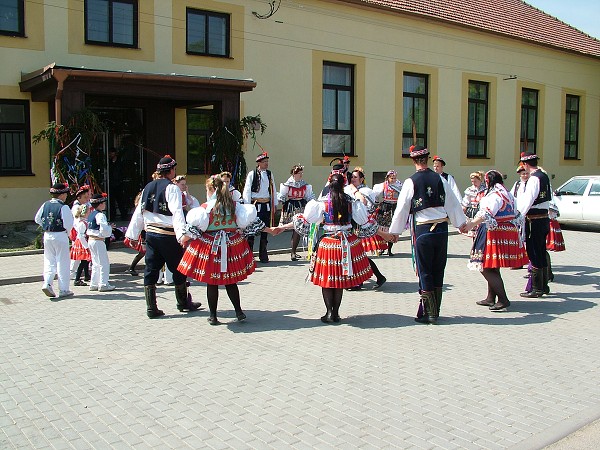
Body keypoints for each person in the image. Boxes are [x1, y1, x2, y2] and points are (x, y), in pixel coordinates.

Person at [178, 175, 277, 325]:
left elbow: (195, 230)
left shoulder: (205, 208)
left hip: (211, 246)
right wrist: (270, 230)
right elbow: (250, 223)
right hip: (232, 245)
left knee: (212, 283)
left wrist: (183, 240)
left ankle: (213, 316)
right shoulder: (235, 205)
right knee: (231, 281)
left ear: (210, 190)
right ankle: (239, 311)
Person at [389, 146, 467, 324]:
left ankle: (429, 313)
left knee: (425, 271)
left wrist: (395, 233)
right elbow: (453, 203)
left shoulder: (411, 182)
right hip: (441, 229)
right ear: (427, 159)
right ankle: (435, 310)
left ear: (413, 160)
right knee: (438, 269)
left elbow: (402, 209)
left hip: (423, 230)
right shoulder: (440, 179)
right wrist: (461, 224)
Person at [285, 173, 374, 323]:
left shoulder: (322, 203)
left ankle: (328, 312)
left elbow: (307, 221)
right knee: (338, 281)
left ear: (329, 184)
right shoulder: (351, 202)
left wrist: (281, 227)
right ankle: (336, 313)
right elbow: (364, 222)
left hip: (328, 243)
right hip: (345, 243)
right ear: (343, 185)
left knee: (327, 280)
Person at [125, 155, 201, 318]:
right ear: (171, 171)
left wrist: (132, 234)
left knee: (151, 269)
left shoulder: (148, 187)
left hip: (151, 234)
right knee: (178, 269)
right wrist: (182, 235)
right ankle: (183, 303)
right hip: (168, 235)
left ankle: (151, 308)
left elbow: (140, 212)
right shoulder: (172, 188)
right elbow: (177, 212)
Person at [463, 170, 528, 311]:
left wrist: (470, 225)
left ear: (488, 182)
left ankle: (503, 299)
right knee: (492, 266)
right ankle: (491, 297)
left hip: (493, 232)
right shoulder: (508, 194)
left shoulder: (494, 195)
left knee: (484, 267)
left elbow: (486, 214)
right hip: (505, 231)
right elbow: (517, 214)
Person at [345, 167, 387, 290]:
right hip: (352, 226)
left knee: (358, 254)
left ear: (362, 179)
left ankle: (361, 281)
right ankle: (375, 277)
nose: (353, 179)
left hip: (361, 226)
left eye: (355, 177)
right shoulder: (349, 189)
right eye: (351, 177)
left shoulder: (367, 191)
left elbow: (369, 208)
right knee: (357, 255)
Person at [516, 152, 551, 298]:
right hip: (543, 218)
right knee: (541, 250)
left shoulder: (534, 179)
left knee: (534, 251)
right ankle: (543, 286)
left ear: (525, 164)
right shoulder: (544, 176)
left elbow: (528, 199)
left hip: (534, 220)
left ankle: (537, 288)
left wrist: (518, 216)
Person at [34, 182, 75, 299]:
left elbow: (37, 219)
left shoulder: (45, 205)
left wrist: (46, 225)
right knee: (62, 262)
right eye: (65, 194)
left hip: (47, 235)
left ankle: (47, 282)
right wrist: (67, 233)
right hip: (60, 235)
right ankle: (64, 289)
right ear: (61, 195)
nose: (66, 196)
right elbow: (68, 224)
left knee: (49, 260)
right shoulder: (64, 207)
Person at [242, 151, 278, 263]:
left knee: (265, 228)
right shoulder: (252, 174)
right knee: (252, 229)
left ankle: (263, 254)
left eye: (267, 161)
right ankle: (249, 255)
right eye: (264, 162)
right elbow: (247, 190)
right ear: (259, 163)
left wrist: (274, 203)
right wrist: (247, 206)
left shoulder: (269, 174)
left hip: (266, 204)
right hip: (255, 204)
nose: (266, 164)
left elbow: (273, 188)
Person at [278, 164, 314, 261]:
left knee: (298, 229)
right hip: (291, 207)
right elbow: (282, 196)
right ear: (294, 173)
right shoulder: (287, 184)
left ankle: (293, 252)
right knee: (295, 228)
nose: (301, 175)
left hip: (301, 206)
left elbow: (309, 196)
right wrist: (279, 201)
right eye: (299, 173)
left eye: (302, 173)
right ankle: (293, 252)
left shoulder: (305, 185)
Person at [87, 194, 116, 292]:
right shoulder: (100, 215)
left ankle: (94, 283)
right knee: (104, 263)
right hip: (98, 240)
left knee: (95, 263)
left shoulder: (91, 214)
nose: (105, 205)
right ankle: (103, 283)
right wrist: (109, 229)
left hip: (91, 240)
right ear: (100, 204)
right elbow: (103, 228)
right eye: (103, 203)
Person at [373, 170, 403, 256]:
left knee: (392, 228)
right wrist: (376, 202)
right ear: (388, 178)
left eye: (394, 178)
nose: (393, 179)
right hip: (385, 207)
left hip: (394, 207)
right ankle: (382, 248)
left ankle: (390, 249)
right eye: (391, 178)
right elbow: (375, 195)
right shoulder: (383, 185)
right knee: (383, 228)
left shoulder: (399, 185)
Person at [70, 204, 92, 286]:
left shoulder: (83, 221)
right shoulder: (82, 223)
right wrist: (86, 247)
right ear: (86, 212)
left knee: (86, 260)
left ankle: (86, 275)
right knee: (83, 261)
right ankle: (77, 279)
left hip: (82, 242)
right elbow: (81, 236)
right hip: (82, 243)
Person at [108, 148, 128, 221]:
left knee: (120, 201)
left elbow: (123, 171)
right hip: (111, 184)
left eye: (112, 153)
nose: (110, 154)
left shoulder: (120, 161)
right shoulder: (109, 162)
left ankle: (124, 215)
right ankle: (112, 216)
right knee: (112, 201)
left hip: (119, 184)